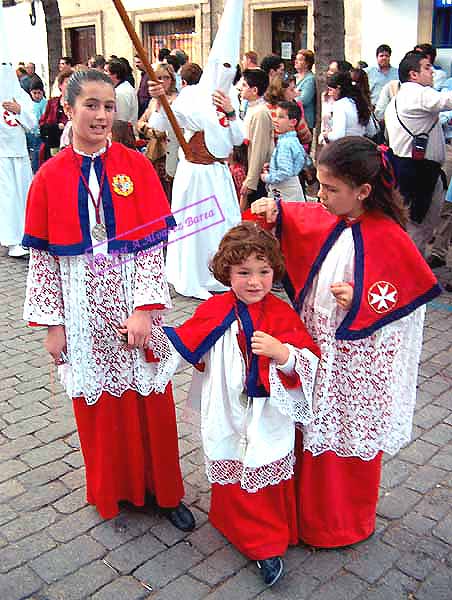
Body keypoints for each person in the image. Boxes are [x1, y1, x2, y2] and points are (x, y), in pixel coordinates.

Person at [22, 69, 194, 531]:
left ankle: (164, 492)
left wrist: (144, 309)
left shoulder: (136, 166)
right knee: (99, 409)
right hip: (81, 309)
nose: (101, 115)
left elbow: (153, 247)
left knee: (149, 402)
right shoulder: (49, 176)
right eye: (91, 105)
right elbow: (43, 260)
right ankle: (113, 491)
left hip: (132, 304)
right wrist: (53, 324)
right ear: (69, 106)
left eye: (107, 106)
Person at [249, 136, 441, 550]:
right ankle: (302, 512)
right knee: (309, 428)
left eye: (331, 189)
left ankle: (337, 523)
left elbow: (406, 296)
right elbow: (304, 219)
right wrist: (276, 209)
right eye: (319, 184)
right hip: (319, 349)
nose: (321, 196)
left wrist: (362, 300)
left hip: (355, 362)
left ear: (363, 192)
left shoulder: (388, 235)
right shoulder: (332, 217)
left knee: (341, 440)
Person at [148, 222, 320, 586]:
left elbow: (310, 364)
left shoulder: (281, 315)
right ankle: (230, 523)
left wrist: (284, 354)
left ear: (275, 271)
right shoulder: (215, 309)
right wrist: (148, 342)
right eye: (243, 272)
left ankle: (266, 543)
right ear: (227, 272)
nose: (254, 281)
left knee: (262, 467)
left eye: (263, 271)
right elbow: (183, 343)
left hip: (267, 412)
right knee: (229, 460)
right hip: (225, 404)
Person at [385, 51, 452, 256]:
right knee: (418, 226)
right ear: (413, 74)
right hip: (419, 172)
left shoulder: (397, 99)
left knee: (412, 224)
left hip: (406, 167)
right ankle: (410, 276)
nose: (432, 72)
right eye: (427, 67)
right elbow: (446, 101)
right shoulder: (417, 92)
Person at [0, 61, 36, 257]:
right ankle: (11, 240)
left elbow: (32, 124)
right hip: (2, 155)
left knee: (23, 196)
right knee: (7, 199)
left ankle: (27, 236)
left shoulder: (21, 95)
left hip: (20, 154)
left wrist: (19, 110)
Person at [137, 64, 179, 198]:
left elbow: (174, 127)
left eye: (165, 77)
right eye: (158, 77)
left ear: (172, 79)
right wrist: (149, 131)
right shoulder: (153, 101)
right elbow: (140, 122)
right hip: (153, 152)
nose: (162, 81)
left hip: (169, 152)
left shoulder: (176, 101)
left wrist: (158, 132)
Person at [240, 68, 273, 209]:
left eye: (244, 85)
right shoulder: (252, 109)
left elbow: (259, 148)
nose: (241, 88)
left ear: (254, 90)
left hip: (257, 173)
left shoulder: (260, 113)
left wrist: (251, 180)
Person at [261, 101, 307, 202]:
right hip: (292, 187)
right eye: (276, 116)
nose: (276, 120)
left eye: (281, 117)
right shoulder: (292, 141)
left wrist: (267, 177)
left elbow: (285, 172)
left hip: (285, 192)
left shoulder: (285, 144)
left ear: (293, 122)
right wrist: (273, 165)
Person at [324, 71, 375, 142]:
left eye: (330, 90)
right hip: (362, 145)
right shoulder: (360, 102)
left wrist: (327, 135)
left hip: (346, 147)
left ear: (339, 88)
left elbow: (338, 135)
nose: (329, 93)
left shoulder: (339, 105)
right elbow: (372, 131)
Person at [39, 67, 72, 164]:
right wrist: (56, 127)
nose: (70, 86)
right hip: (52, 146)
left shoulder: (78, 103)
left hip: (70, 147)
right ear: (60, 85)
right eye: (67, 82)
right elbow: (42, 125)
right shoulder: (52, 103)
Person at [105, 59, 138, 124]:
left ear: (115, 74)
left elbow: (121, 119)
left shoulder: (121, 93)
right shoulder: (123, 87)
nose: (103, 73)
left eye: (106, 71)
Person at [27, 79, 47, 173]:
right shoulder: (28, 103)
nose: (37, 95)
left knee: (38, 155)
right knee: (32, 154)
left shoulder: (45, 103)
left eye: (39, 93)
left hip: (40, 134)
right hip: (30, 133)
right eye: (34, 93)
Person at [294, 49, 316, 130]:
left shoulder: (310, 79)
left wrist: (291, 96)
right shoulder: (294, 77)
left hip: (305, 121)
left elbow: (303, 100)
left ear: (307, 64)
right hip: (294, 120)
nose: (296, 61)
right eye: (296, 59)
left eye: (300, 60)